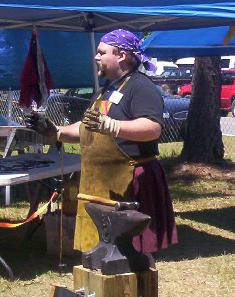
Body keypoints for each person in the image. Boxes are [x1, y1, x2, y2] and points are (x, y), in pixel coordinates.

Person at [26, 29, 178, 254]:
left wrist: (113, 126)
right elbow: (87, 127)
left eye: (101, 52)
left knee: (130, 253)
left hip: (131, 179)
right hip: (102, 180)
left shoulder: (141, 87)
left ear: (121, 55)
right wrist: (56, 131)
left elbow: (152, 128)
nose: (96, 57)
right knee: (104, 248)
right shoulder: (106, 90)